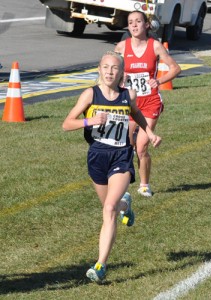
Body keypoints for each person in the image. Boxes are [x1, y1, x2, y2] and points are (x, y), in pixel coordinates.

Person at [62, 51, 161, 283]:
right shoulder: (90, 94)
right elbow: (66, 124)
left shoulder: (126, 96)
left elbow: (137, 114)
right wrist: (90, 121)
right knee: (113, 207)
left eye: (114, 68)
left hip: (121, 156)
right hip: (97, 156)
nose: (109, 72)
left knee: (108, 209)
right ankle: (126, 203)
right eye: (106, 67)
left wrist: (150, 133)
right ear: (99, 70)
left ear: (121, 73)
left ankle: (100, 265)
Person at [115, 10, 181, 197]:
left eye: (138, 21)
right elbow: (108, 68)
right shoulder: (121, 47)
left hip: (150, 101)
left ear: (146, 25)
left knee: (141, 146)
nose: (134, 25)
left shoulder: (155, 46)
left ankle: (145, 185)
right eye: (130, 22)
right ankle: (123, 181)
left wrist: (159, 81)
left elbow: (176, 68)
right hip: (128, 103)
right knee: (125, 144)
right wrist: (120, 78)